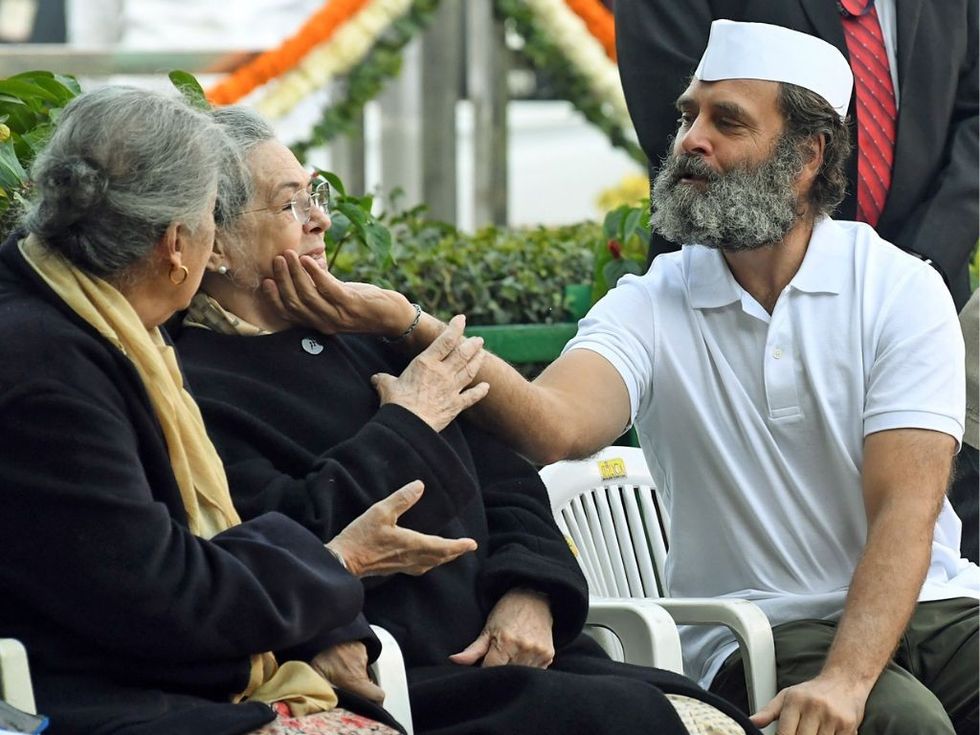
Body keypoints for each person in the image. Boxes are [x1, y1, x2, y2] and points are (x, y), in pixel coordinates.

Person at [261, 21, 980, 735]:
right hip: (767, 631)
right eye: (688, 115)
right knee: (902, 722)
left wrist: (847, 679)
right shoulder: (653, 299)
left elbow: (905, 512)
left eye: (725, 121)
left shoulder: (898, 288)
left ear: (806, 157)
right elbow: (555, 424)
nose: (690, 139)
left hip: (937, 605)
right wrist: (408, 320)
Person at [173, 104, 765, 735]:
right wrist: (409, 421)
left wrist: (531, 591)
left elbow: (509, 483)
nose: (321, 218)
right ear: (214, 248)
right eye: (290, 204)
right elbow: (289, 533)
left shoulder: (364, 332)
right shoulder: (190, 382)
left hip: (524, 650)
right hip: (409, 670)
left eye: (313, 193)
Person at [0, 86, 480, 735]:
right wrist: (339, 560)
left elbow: (503, 469)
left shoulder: (87, 325)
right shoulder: (49, 367)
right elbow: (161, 595)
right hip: (100, 700)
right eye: (288, 202)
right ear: (180, 243)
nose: (319, 221)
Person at [614, 0, 979, 312]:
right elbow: (691, 125)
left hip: (928, 296)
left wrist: (923, 264)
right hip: (736, 300)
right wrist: (816, 277)